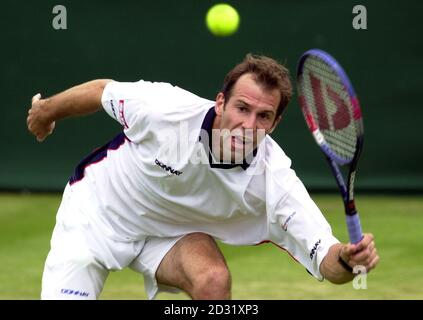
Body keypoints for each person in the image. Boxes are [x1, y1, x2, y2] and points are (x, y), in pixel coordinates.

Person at [27, 54, 379, 300]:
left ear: (274, 124)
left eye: (263, 116)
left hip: (169, 236)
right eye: (242, 108)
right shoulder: (164, 109)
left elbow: (329, 261)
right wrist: (46, 111)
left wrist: (350, 260)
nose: (248, 124)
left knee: (212, 280)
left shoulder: (275, 181)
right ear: (221, 103)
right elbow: (102, 91)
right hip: (98, 214)